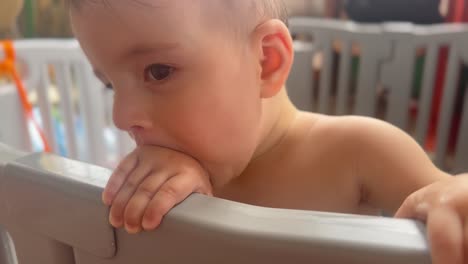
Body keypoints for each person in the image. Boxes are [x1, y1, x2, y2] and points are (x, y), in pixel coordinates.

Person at [68, 1, 468, 263]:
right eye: (109, 84)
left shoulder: (358, 150)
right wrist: (176, 208)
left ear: (266, 61)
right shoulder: (156, 182)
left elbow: (447, 204)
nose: (121, 116)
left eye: (158, 71)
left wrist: (451, 197)